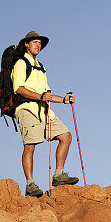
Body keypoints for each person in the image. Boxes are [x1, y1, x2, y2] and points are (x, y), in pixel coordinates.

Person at [11, 30, 79, 197]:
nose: (38, 45)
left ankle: (58, 175)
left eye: (40, 43)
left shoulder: (40, 67)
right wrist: (40, 96)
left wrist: (64, 99)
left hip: (43, 109)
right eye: (34, 42)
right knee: (30, 146)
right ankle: (30, 184)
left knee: (66, 136)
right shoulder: (21, 63)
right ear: (26, 44)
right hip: (26, 108)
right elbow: (18, 88)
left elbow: (46, 94)